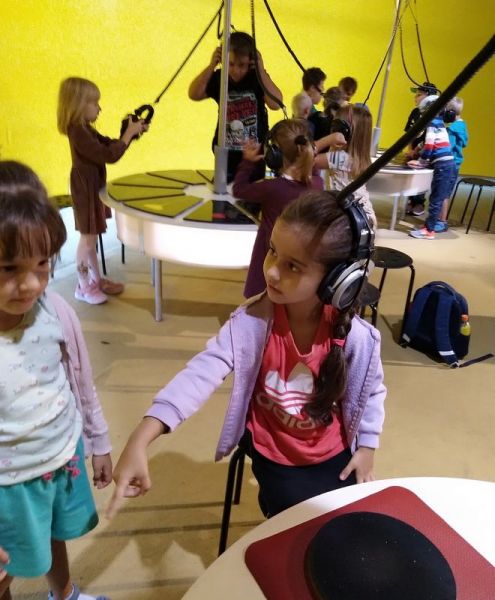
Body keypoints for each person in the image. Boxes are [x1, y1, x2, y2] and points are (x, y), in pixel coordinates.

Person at [107, 190, 386, 520]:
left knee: (345, 518)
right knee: (295, 521)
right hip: (274, 450)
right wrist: (142, 436)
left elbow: (371, 392)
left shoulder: (355, 337)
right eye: (272, 251)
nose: (272, 272)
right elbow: (200, 373)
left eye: (292, 266)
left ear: (337, 280)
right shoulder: (250, 324)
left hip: (331, 450)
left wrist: (367, 447)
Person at [0, 161, 112, 600]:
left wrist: (98, 441)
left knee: (54, 536)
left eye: (42, 263)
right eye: (9, 268)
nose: (30, 284)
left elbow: (81, 380)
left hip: (60, 455)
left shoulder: (55, 310)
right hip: (7, 482)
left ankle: (64, 594)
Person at [57, 77, 147, 305]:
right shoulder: (77, 131)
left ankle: (95, 280)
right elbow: (108, 155)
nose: (99, 108)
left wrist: (130, 132)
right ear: (79, 104)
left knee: (92, 237)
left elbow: (109, 144)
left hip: (92, 186)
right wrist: (128, 135)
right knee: (87, 239)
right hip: (85, 188)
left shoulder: (85, 129)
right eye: (94, 103)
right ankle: (83, 286)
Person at [233, 118, 326, 298]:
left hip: (271, 252)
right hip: (299, 257)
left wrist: (248, 161)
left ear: (274, 156)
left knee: (262, 296)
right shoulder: (318, 184)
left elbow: (239, 190)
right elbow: (312, 171)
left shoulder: (271, 188)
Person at [188, 31, 283, 183]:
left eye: (242, 65)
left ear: (251, 62)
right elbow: (194, 94)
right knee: (223, 195)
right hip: (226, 156)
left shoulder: (257, 79)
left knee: (251, 196)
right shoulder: (221, 78)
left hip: (254, 158)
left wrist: (261, 71)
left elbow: (276, 104)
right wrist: (211, 66)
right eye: (231, 64)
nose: (236, 70)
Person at [314, 104, 377, 228]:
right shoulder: (359, 158)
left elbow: (305, 158)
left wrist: (327, 140)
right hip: (365, 216)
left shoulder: (340, 158)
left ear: (344, 131)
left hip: (350, 219)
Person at [408, 95, 456, 240]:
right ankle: (428, 227)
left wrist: (421, 162)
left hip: (442, 166)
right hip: (446, 164)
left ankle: (429, 231)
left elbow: (429, 145)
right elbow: (434, 145)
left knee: (435, 199)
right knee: (436, 198)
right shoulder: (439, 123)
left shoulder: (431, 123)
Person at [404, 81, 439, 216]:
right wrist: (410, 149)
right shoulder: (414, 112)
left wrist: (417, 150)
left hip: (425, 152)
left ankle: (419, 202)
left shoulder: (433, 115)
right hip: (413, 151)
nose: (415, 97)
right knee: (411, 176)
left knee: (421, 177)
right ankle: (411, 200)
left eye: (419, 95)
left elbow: (429, 138)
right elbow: (409, 133)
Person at [438, 96, 468, 227]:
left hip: (448, 164)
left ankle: (441, 221)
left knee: (442, 193)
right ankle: (440, 220)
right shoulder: (462, 126)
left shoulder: (452, 129)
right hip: (455, 165)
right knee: (445, 193)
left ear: (450, 113)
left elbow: (446, 147)